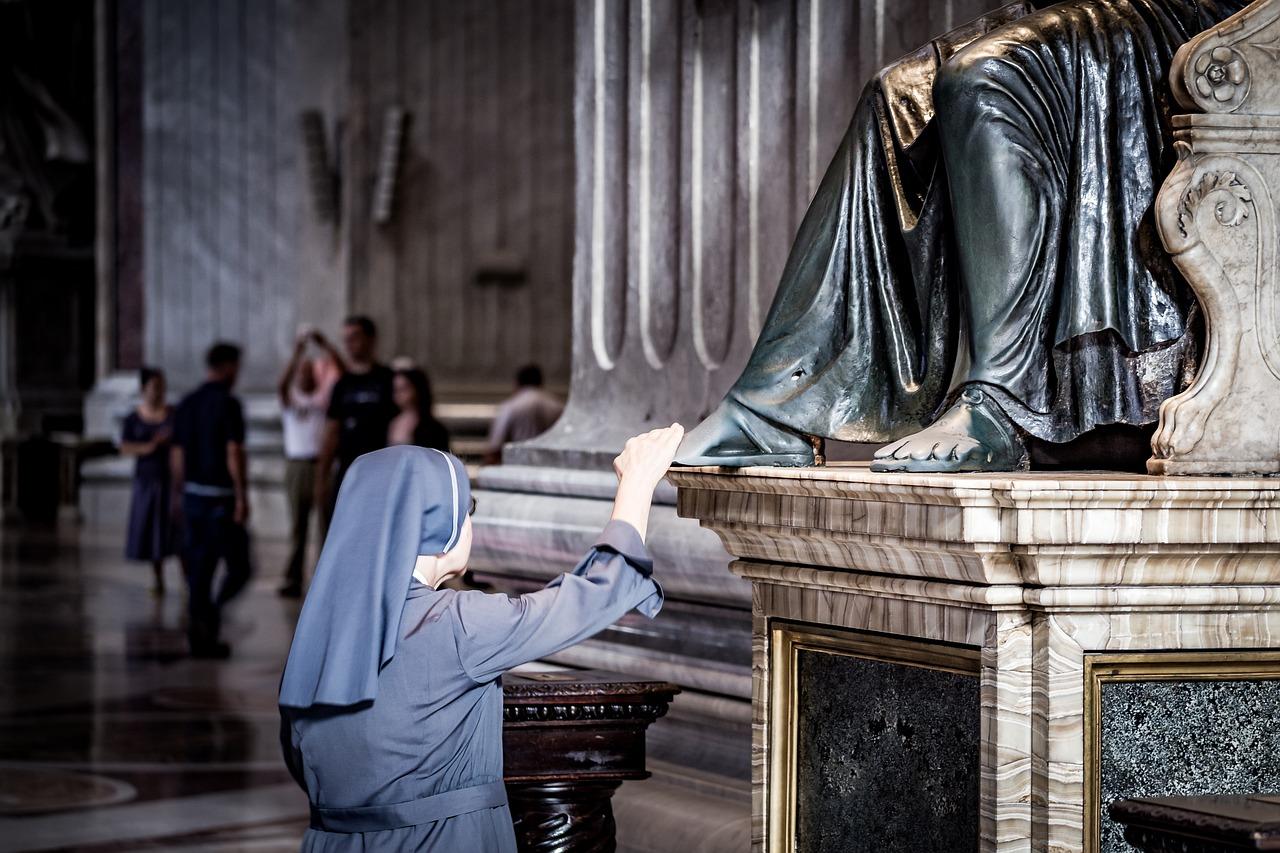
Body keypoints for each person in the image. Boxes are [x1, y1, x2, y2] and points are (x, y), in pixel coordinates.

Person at [675, 0, 1251, 473]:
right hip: (1092, 8)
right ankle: (775, 409)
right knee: (896, 98)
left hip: (1216, 21)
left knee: (987, 77)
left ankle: (1000, 400)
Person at [278, 424, 683, 851]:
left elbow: (301, 761)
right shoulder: (454, 623)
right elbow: (595, 596)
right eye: (468, 507)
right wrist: (636, 485)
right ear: (440, 525)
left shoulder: (316, 637)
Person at [171, 342, 253, 658]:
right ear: (228, 366)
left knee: (199, 571)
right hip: (221, 500)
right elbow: (234, 451)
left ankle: (200, 632)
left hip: (193, 497)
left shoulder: (187, 404)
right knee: (240, 567)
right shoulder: (228, 404)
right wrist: (242, 496)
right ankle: (211, 618)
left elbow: (177, 455)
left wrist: (179, 494)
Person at [315, 315, 396, 534]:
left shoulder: (388, 379)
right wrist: (322, 479)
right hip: (349, 472)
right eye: (346, 339)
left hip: (382, 472)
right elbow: (331, 432)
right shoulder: (342, 384)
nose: (349, 344)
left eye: (355, 337)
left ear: (371, 339)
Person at [277, 330, 336, 598]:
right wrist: (298, 352)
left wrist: (325, 346)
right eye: (301, 372)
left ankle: (324, 579)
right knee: (298, 527)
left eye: (310, 371)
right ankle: (293, 578)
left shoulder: (322, 400)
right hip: (297, 466)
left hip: (320, 465)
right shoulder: (291, 401)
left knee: (325, 525)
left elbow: (343, 373)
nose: (305, 375)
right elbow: (282, 384)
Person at [119, 366, 178, 595]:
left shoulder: (172, 414)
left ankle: (187, 579)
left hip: (169, 478)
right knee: (153, 530)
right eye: (155, 387)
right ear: (144, 389)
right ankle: (157, 577)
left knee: (174, 530)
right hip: (147, 478)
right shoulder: (134, 417)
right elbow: (124, 446)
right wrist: (150, 446)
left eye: (161, 387)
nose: (159, 392)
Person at [483, 364, 563, 464]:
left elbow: (494, 449)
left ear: (517, 383)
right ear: (541, 382)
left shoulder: (510, 406)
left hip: (517, 468)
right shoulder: (557, 407)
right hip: (549, 468)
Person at [389, 366, 450, 451]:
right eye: (396, 390)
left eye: (404, 389)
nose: (398, 394)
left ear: (417, 389)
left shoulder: (434, 429)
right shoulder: (390, 423)